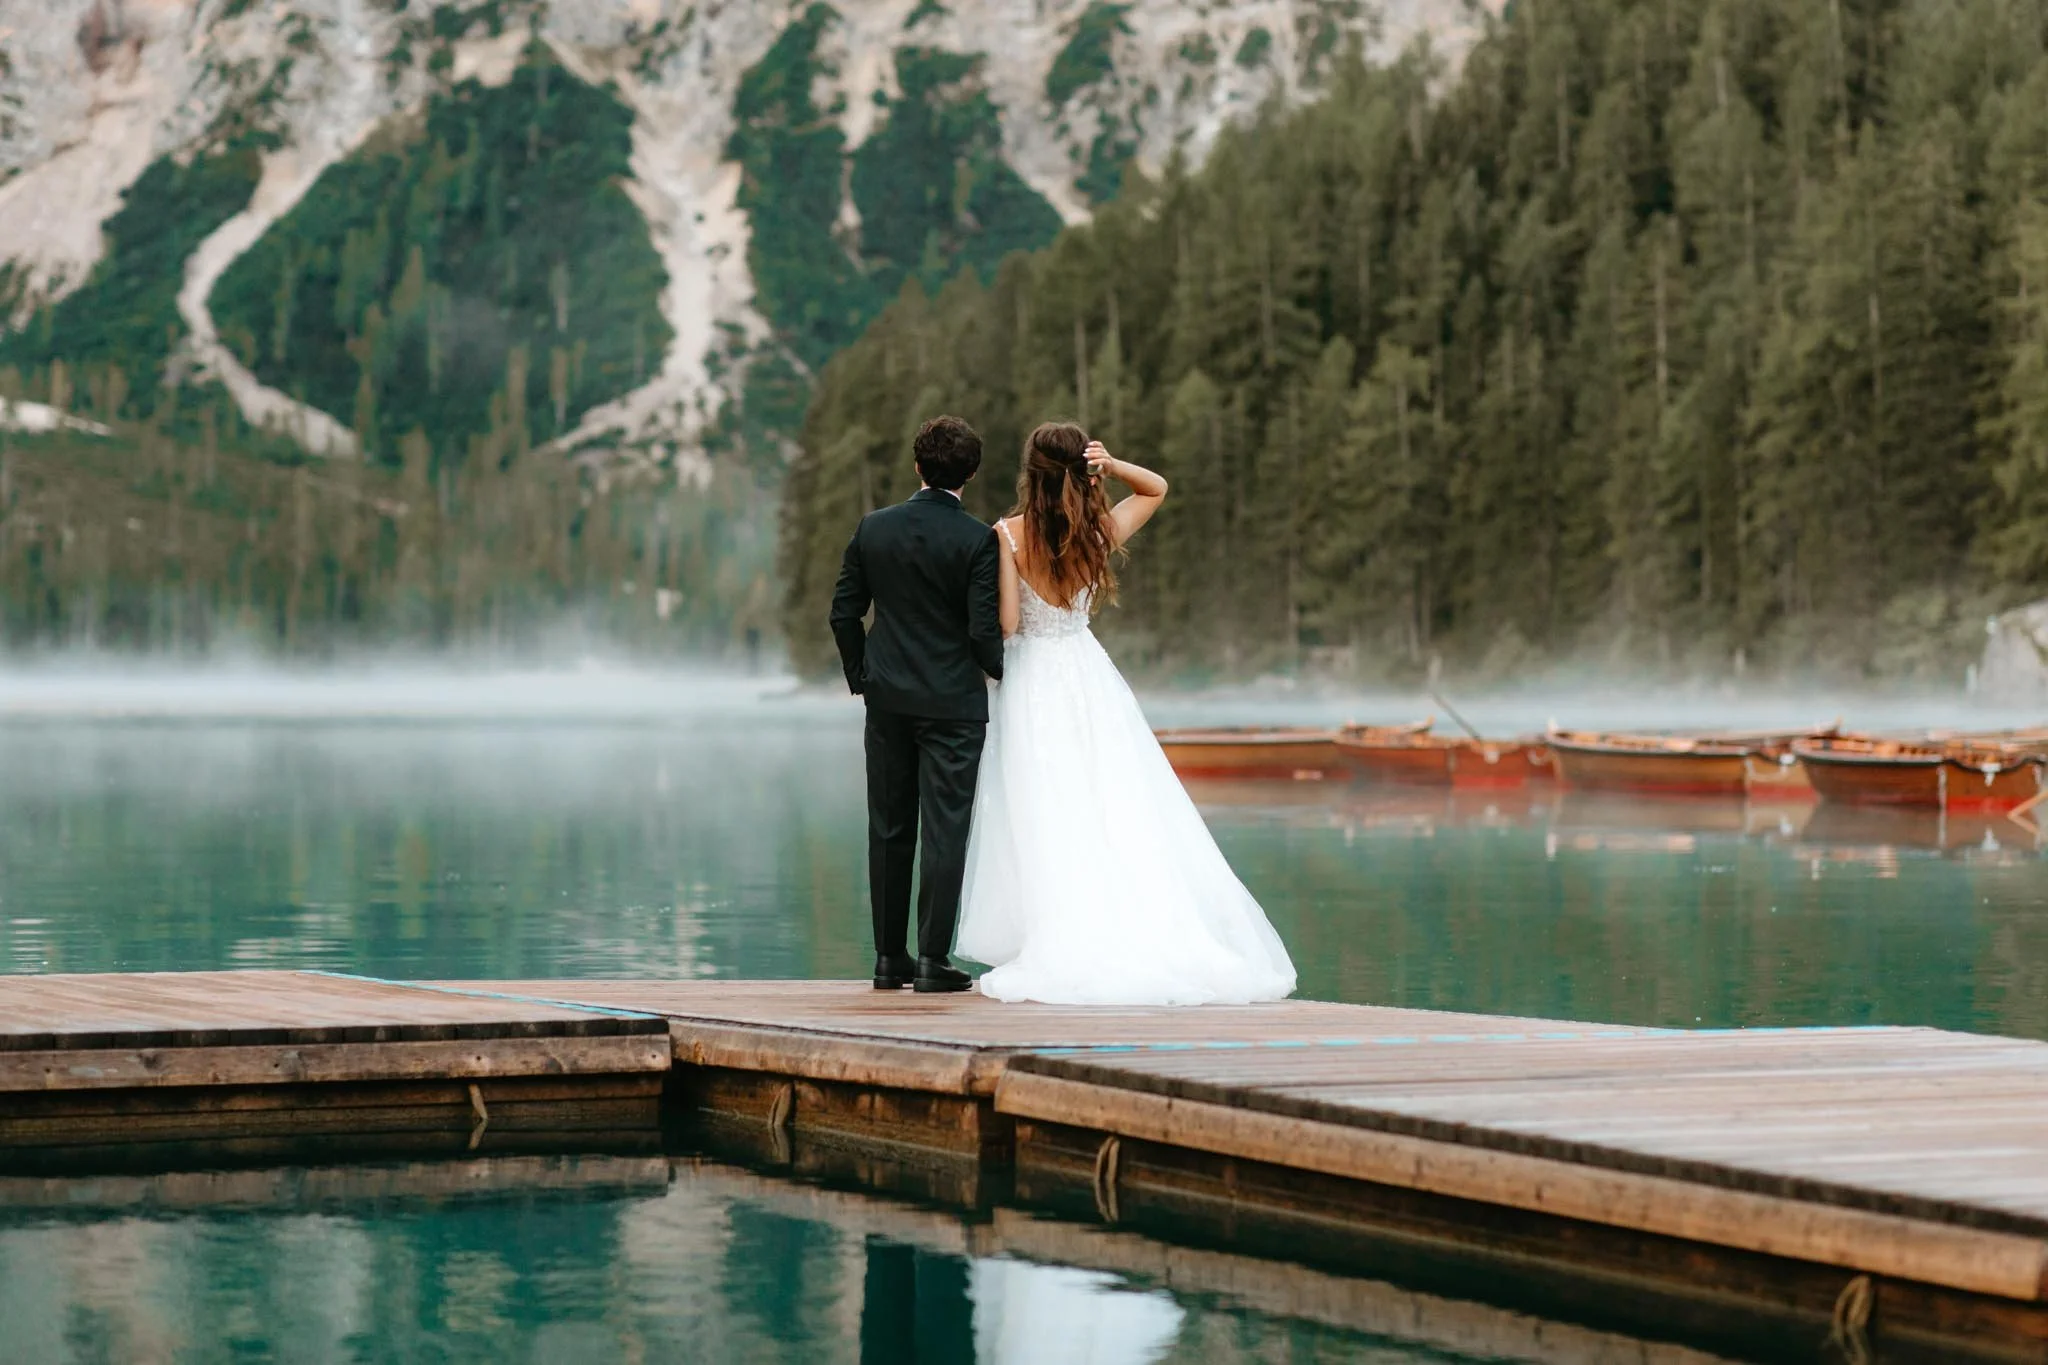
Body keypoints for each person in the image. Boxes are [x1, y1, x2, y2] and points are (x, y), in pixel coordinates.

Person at [956, 422, 1297, 1005]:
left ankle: (1057, 929)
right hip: (1088, 677)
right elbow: (1157, 488)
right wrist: (1111, 466)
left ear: (1029, 474)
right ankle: (1128, 923)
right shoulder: (1097, 531)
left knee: (1046, 808)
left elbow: (1008, 626)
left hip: (1033, 683)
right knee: (1111, 803)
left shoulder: (1006, 537)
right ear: (1082, 470)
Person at [830, 415, 1003, 993]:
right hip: (954, 703)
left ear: (916, 466)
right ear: (971, 473)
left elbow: (844, 612)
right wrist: (1004, 675)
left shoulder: (874, 528)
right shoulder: (978, 539)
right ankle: (933, 960)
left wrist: (862, 676)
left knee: (888, 827)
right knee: (944, 832)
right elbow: (983, 632)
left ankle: (888, 960)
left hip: (888, 700)